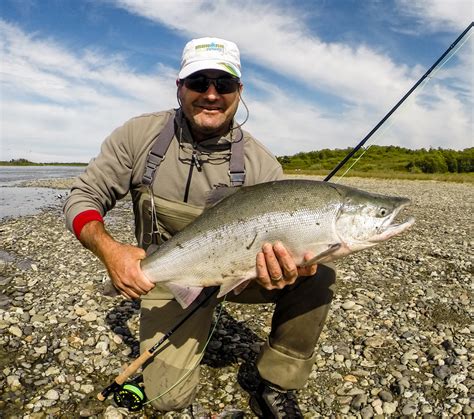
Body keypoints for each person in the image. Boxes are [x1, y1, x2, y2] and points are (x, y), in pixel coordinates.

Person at [64, 37, 336, 418]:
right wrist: (111, 251)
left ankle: (276, 383)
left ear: (238, 92)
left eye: (223, 85)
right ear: (180, 87)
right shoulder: (138, 135)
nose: (211, 94)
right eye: (199, 83)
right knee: (167, 399)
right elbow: (82, 198)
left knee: (317, 276)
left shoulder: (262, 165)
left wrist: (286, 275)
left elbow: (288, 250)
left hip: (241, 273)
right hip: (172, 276)